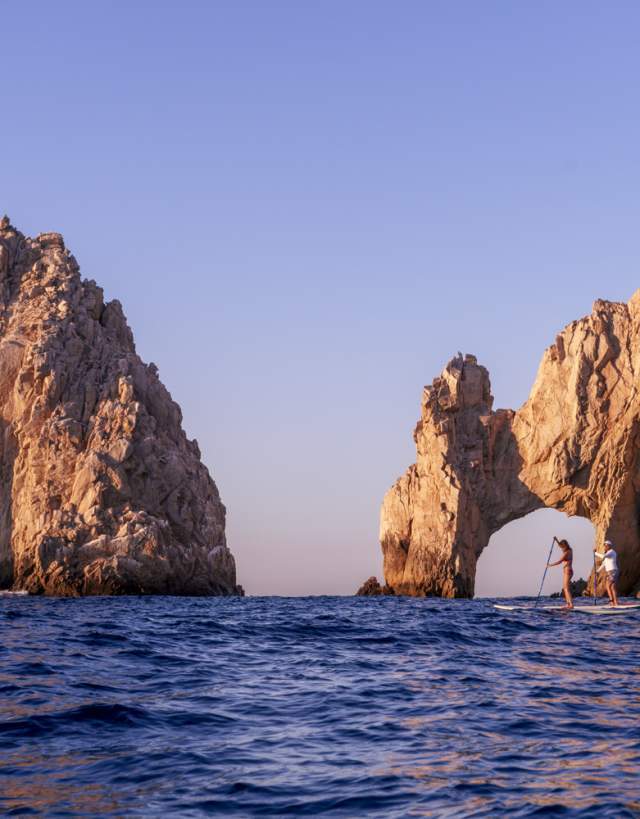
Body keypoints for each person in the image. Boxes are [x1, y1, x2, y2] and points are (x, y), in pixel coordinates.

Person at [548, 538, 574, 609]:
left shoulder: (566, 553)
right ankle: (568, 604)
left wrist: (550, 565)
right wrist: (556, 540)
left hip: (567, 571)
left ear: (564, 546)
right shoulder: (570, 550)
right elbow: (560, 545)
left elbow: (559, 561)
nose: (561, 549)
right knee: (565, 588)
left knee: (566, 588)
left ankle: (570, 604)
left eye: (562, 547)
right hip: (569, 571)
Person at [594, 540, 619, 607]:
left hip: (612, 571)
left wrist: (595, 553)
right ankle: (615, 602)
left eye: (605, 546)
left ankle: (612, 602)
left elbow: (603, 557)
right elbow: (604, 564)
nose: (604, 547)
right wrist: (598, 571)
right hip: (613, 571)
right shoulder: (609, 553)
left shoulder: (611, 552)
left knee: (608, 586)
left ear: (609, 546)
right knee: (612, 587)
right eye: (604, 546)